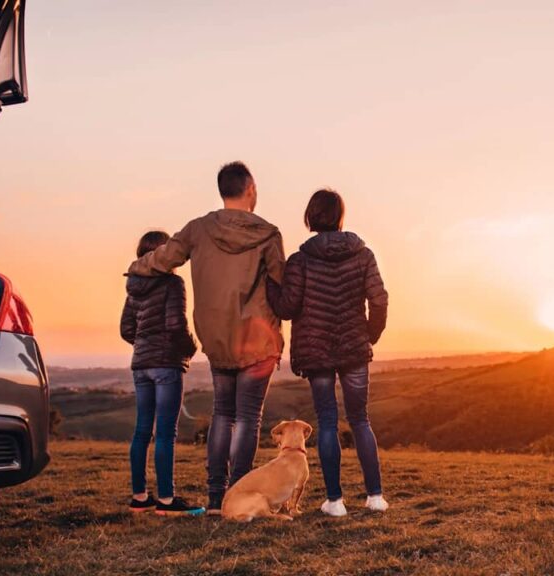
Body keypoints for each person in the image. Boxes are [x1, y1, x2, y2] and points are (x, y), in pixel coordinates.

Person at [128, 162, 285, 515]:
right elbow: (281, 286)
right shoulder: (268, 234)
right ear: (251, 189)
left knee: (223, 414)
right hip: (257, 341)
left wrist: (135, 269)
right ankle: (238, 494)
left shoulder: (198, 230)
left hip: (216, 338)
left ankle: (216, 498)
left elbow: (163, 259)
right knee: (247, 418)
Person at [266, 189, 389, 516]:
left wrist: (270, 284)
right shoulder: (363, 255)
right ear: (340, 216)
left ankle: (334, 502)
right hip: (354, 350)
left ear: (311, 217)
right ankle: (375, 497)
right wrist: (368, 336)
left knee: (327, 423)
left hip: (317, 351)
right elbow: (379, 300)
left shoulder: (300, 261)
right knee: (361, 420)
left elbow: (288, 307)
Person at [120, 230, 203, 515]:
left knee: (142, 430)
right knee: (166, 433)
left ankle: (139, 497)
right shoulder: (173, 284)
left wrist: (145, 346)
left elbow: (126, 330)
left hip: (141, 364)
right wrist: (190, 349)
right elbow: (175, 325)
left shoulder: (133, 287)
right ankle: (167, 501)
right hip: (166, 363)